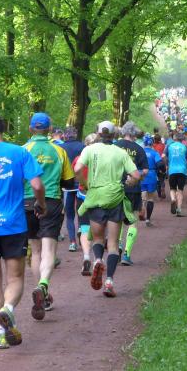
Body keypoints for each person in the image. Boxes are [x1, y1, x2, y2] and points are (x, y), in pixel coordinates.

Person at [0, 113, 46, 349]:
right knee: (15, 277)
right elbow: (37, 185)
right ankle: (8, 308)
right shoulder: (20, 152)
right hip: (14, 224)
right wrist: (41, 204)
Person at [74, 121, 141, 297]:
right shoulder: (121, 152)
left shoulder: (89, 150)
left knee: (97, 238)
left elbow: (77, 169)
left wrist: (85, 183)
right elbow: (136, 175)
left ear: (98, 134)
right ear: (114, 135)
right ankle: (109, 281)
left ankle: (97, 259)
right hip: (115, 199)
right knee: (112, 243)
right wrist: (130, 182)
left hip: (95, 198)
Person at [22, 112, 74, 320]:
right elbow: (69, 182)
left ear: (30, 129)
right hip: (51, 201)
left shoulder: (23, 150)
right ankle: (43, 285)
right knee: (49, 250)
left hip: (27, 202)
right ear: (50, 129)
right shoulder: (59, 150)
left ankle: (41, 291)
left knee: (35, 251)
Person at [114, 122, 148, 267]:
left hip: (116, 187)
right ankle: (127, 254)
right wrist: (137, 177)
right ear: (134, 133)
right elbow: (145, 170)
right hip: (133, 188)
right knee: (132, 220)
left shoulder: (115, 146)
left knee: (118, 219)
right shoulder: (139, 149)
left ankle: (117, 246)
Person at [73, 133, 97, 276]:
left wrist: (83, 183)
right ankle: (97, 259)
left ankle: (86, 256)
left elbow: (76, 173)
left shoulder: (79, 159)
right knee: (99, 228)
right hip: (99, 196)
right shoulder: (103, 158)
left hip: (82, 195)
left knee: (84, 227)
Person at [60, 127, 85, 252]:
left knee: (69, 215)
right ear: (75, 134)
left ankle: (72, 242)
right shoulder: (82, 146)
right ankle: (81, 229)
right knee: (81, 212)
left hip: (67, 186)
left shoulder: (61, 148)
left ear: (65, 135)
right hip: (81, 184)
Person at [140, 134, 163, 229]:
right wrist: (162, 171)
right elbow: (160, 164)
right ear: (152, 143)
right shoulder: (154, 153)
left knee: (142, 195)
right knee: (150, 198)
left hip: (141, 174)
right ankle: (148, 219)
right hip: (151, 175)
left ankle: (141, 208)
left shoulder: (139, 152)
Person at [165, 132, 187, 217]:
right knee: (180, 191)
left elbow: (163, 156)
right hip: (182, 170)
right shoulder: (185, 147)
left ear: (174, 138)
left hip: (172, 170)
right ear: (182, 139)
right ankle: (179, 210)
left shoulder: (169, 146)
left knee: (172, 188)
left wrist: (167, 164)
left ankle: (173, 199)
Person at [152, 134, 167, 199]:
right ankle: (162, 186)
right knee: (162, 178)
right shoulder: (163, 145)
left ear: (154, 139)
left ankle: (159, 195)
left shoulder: (152, 146)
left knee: (157, 180)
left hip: (155, 163)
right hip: (162, 163)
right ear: (160, 139)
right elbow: (165, 155)